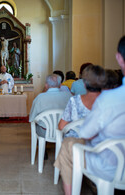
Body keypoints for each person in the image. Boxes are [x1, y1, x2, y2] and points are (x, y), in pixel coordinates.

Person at [54, 36, 125, 195]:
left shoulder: (106, 100)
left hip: (110, 163)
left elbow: (85, 133)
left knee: (67, 146)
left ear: (119, 58)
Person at [58, 65, 106, 138]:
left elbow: (61, 126)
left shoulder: (74, 101)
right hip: (101, 144)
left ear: (84, 84)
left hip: (76, 142)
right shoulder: (108, 100)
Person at [29, 74, 72, 138]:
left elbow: (32, 118)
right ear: (60, 85)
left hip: (45, 132)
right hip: (65, 131)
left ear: (46, 85)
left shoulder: (40, 98)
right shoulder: (69, 96)